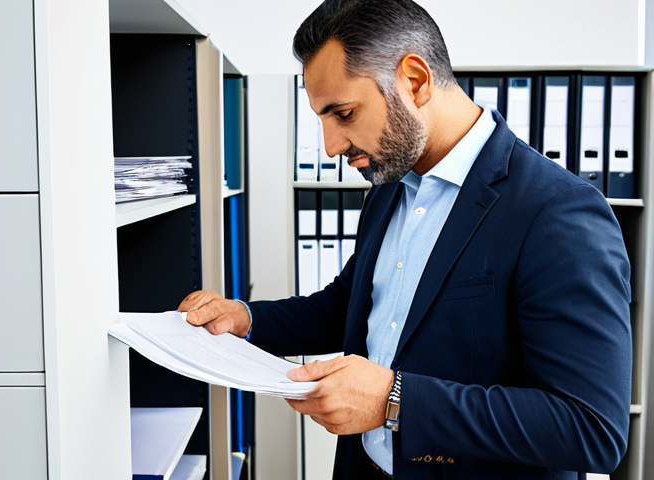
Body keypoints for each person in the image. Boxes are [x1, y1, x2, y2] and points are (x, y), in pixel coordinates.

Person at [178, 0, 632, 478]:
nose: (331, 145)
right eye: (322, 119)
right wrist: (245, 319)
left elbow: (591, 429)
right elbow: (353, 304)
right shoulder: (391, 185)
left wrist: (396, 400)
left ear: (414, 81)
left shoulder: (557, 212)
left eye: (345, 113)